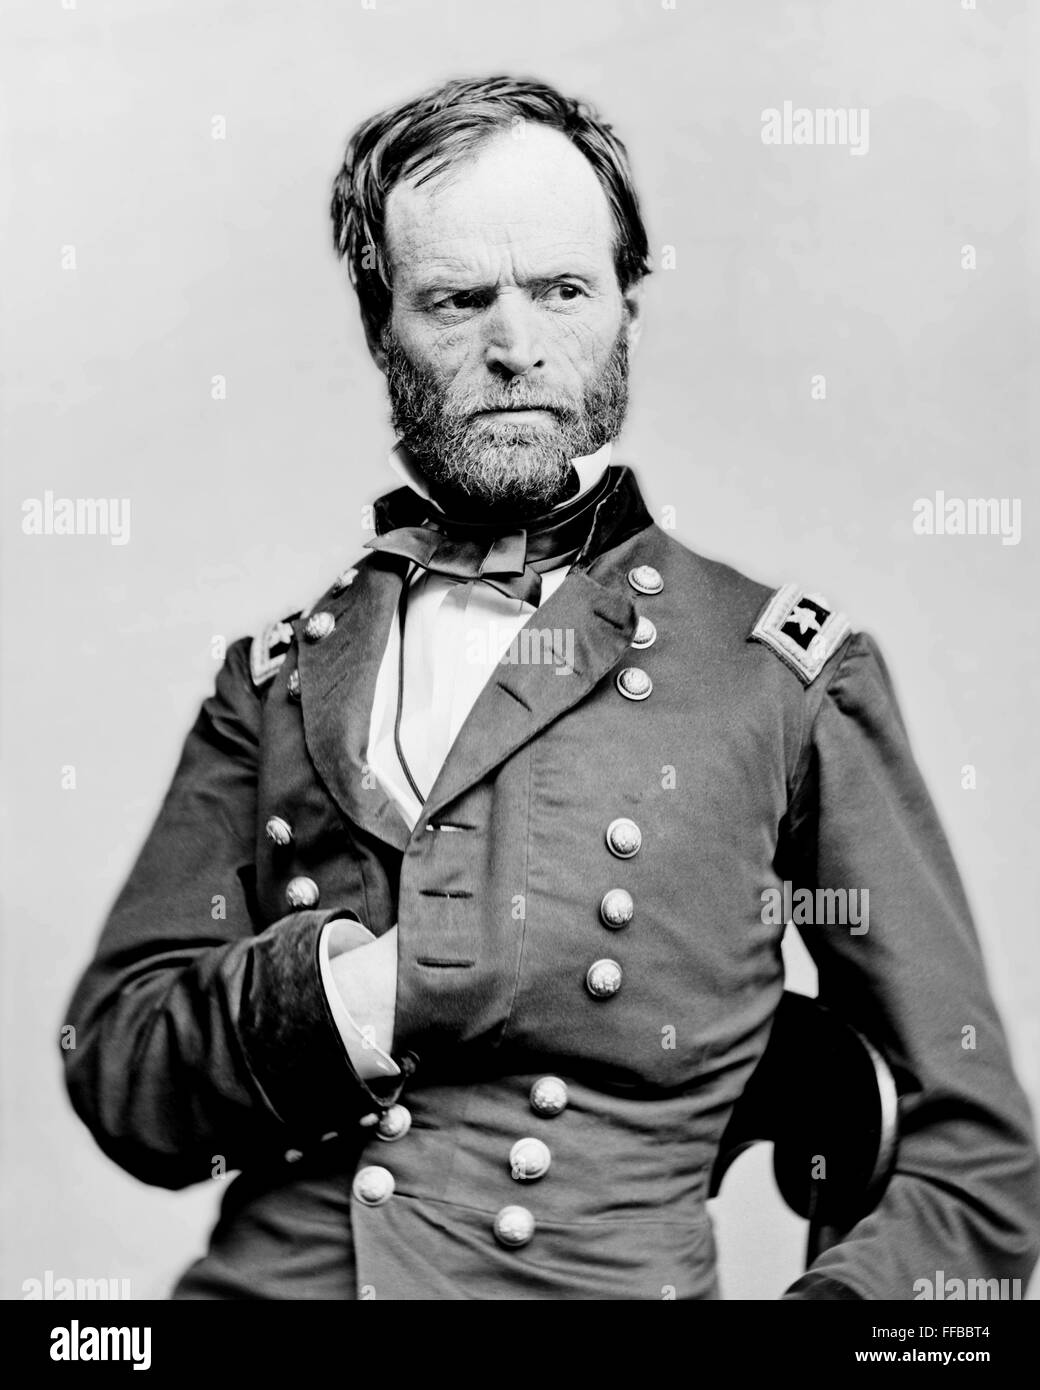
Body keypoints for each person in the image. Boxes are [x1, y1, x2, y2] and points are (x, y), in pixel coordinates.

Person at [63, 75, 1040, 1301]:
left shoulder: (782, 675)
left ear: (625, 310)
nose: (514, 344)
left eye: (561, 291)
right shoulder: (276, 676)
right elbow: (117, 1069)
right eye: (459, 298)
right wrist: (349, 998)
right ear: (382, 328)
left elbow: (976, 1166)